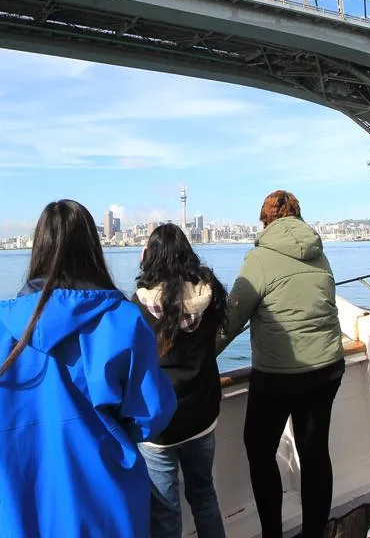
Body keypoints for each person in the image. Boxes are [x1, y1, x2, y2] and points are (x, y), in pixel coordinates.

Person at [0, 199, 177, 537]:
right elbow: (150, 415)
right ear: (93, 249)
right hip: (107, 508)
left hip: (23, 511)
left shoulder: (1, 329)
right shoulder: (122, 320)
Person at [217, 190, 345, 538]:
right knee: (315, 452)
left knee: (259, 450)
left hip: (280, 375)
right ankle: (314, 533)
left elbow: (230, 321)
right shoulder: (319, 254)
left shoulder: (259, 259)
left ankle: (272, 534)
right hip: (328, 367)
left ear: (265, 219)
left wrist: (195, 359)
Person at [132, 224, 229, 538]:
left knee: (165, 509)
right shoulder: (211, 294)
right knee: (204, 495)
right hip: (202, 414)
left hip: (160, 425)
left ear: (150, 256)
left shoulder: (138, 306)